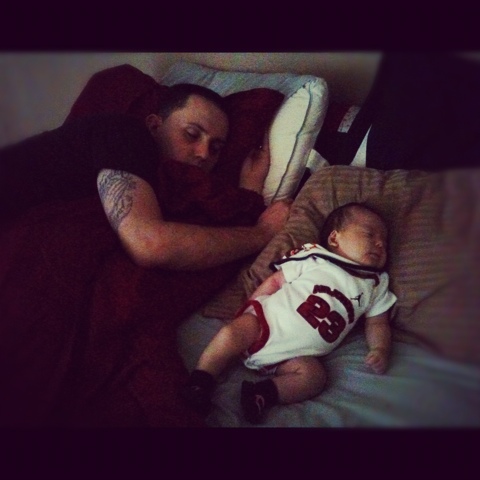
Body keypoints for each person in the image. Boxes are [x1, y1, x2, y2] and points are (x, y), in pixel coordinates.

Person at [0, 83, 291, 270]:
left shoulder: (161, 183)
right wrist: (262, 234)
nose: (204, 154)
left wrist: (248, 193)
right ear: (154, 125)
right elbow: (150, 243)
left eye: (216, 148)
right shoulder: (126, 134)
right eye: (191, 134)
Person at [181, 202, 398, 424]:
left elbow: (378, 323)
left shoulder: (375, 284)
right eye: (369, 234)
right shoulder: (316, 257)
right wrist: (252, 305)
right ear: (334, 238)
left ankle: (263, 393)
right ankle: (202, 379)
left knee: (315, 378)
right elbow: (275, 281)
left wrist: (380, 348)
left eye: (385, 241)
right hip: (265, 324)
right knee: (231, 333)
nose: (380, 243)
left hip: (296, 357)